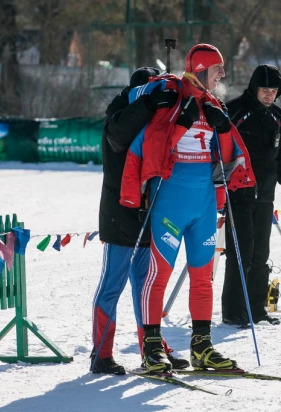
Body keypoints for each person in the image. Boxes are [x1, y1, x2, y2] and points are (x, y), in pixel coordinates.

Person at [120, 44, 256, 373]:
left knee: (203, 279)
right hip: (171, 202)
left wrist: (222, 128)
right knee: (158, 276)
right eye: (217, 68)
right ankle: (152, 347)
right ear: (200, 69)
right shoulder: (172, 100)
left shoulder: (213, 106)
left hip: (205, 206)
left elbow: (224, 159)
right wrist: (182, 121)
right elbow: (146, 145)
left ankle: (202, 347)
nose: (222, 74)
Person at [91, 67, 190, 375]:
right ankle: (101, 354)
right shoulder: (118, 117)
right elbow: (121, 138)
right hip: (119, 214)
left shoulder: (154, 123)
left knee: (146, 287)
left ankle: (153, 349)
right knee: (112, 285)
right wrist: (148, 103)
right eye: (150, 92)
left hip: (148, 212)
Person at [221, 64, 281, 327]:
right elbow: (218, 153)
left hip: (265, 196)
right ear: (254, 88)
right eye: (264, 90)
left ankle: (256, 308)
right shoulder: (234, 111)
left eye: (273, 91)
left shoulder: (276, 116)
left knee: (261, 254)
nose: (269, 95)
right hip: (238, 195)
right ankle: (233, 310)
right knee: (241, 253)